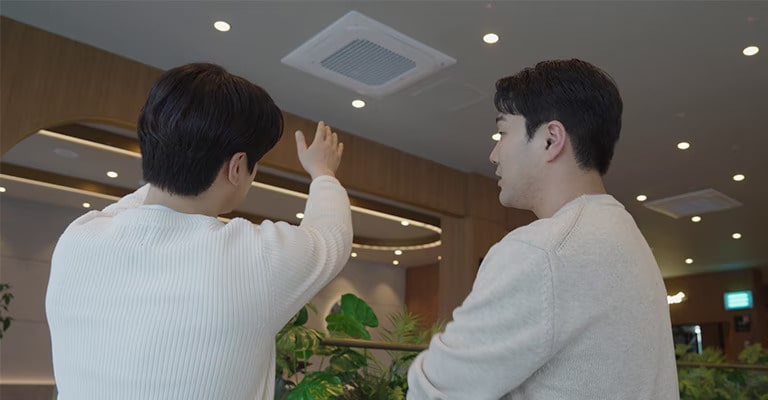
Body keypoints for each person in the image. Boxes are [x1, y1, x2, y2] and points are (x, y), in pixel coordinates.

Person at [46, 63, 353, 400]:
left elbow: (141, 202)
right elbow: (331, 234)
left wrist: (168, 149)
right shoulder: (254, 259)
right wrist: (322, 171)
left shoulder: (79, 238)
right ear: (237, 168)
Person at [407, 59, 679, 399]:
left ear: (551, 139)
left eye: (502, 132)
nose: (493, 154)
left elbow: (435, 391)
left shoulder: (542, 250)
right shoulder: (629, 238)